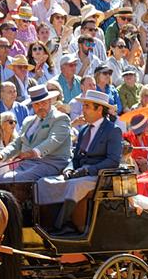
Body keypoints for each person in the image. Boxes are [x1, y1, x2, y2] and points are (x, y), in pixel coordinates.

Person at [36, 90, 122, 233]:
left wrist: (88, 170)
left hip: (99, 176)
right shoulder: (83, 131)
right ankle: (44, 223)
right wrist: (69, 169)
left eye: (87, 106)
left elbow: (113, 161)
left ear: (99, 109)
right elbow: (75, 158)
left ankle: (64, 225)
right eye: (83, 106)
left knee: (75, 186)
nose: (83, 110)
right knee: (43, 183)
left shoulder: (113, 130)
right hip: (79, 173)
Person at [0, 85, 71, 182]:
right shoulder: (28, 121)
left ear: (50, 101)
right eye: (36, 104)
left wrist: (32, 153)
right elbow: (17, 143)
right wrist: (2, 155)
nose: (40, 107)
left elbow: (53, 140)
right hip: (28, 164)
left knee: (17, 179)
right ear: (32, 105)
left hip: (52, 163)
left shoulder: (60, 118)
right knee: (0, 179)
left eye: (43, 103)